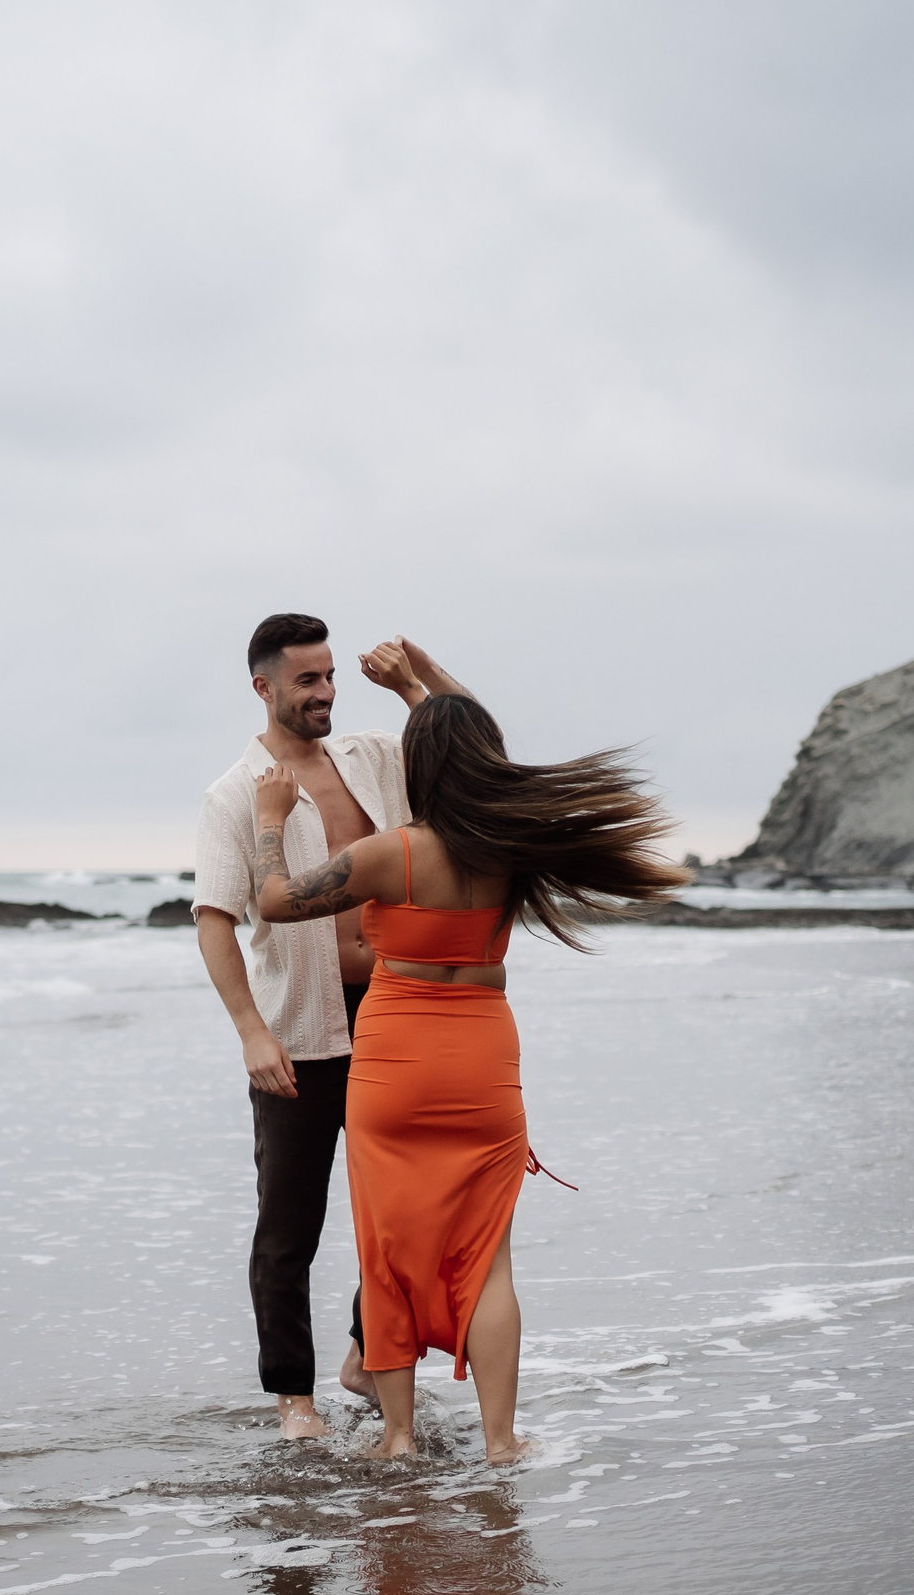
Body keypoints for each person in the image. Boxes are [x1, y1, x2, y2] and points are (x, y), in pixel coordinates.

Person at [249, 691, 687, 1462]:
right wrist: (423, 683)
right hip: (484, 1062)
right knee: (489, 1256)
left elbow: (276, 901)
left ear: (417, 765)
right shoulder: (513, 847)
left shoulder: (393, 852)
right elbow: (484, 747)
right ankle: (501, 1438)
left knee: (386, 1246)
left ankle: (397, 1436)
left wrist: (273, 819)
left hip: (393, 1065)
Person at [193, 613, 470, 1441]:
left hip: (393, 1015)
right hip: (301, 1031)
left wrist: (418, 673)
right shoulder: (235, 793)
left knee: (405, 1211)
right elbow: (215, 918)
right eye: (307, 679)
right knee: (290, 1223)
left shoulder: (374, 759)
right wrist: (250, 1030)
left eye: (329, 676)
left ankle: (362, 1352)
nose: (325, 693)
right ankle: (295, 1399)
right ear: (264, 686)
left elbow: (472, 744)